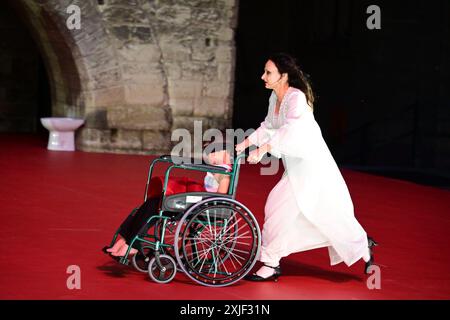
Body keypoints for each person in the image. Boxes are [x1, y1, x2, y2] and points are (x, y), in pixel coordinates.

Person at [235, 52, 377, 281]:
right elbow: (268, 126)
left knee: (282, 208)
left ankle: (271, 264)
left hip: (312, 165)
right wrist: (243, 145)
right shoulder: (275, 98)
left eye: (268, 72)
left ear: (283, 76)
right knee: (317, 213)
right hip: (296, 166)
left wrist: (263, 149)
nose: (263, 76)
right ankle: (361, 243)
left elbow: (291, 131)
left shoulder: (296, 98)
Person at [103, 143, 233, 259]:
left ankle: (131, 245)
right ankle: (125, 240)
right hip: (197, 202)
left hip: (203, 206)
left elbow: (219, 198)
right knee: (151, 203)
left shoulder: (224, 173)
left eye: (215, 152)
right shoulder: (215, 169)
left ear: (226, 154)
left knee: (155, 206)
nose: (212, 157)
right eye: (210, 153)